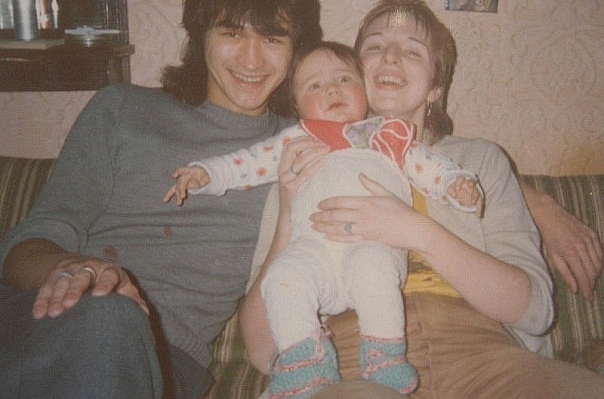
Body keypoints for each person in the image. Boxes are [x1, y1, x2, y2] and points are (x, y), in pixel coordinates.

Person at [240, 0, 604, 397]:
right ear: (356, 72)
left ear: (435, 86)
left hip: (484, 356)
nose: (390, 57)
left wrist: (416, 231)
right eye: (375, 47)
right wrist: (288, 214)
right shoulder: (302, 162)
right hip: (351, 362)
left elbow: (535, 311)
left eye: (412, 51)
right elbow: (261, 349)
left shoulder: (479, 162)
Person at [0, 0, 322, 397]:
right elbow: (25, 249)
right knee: (106, 313)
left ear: (297, 48)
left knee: (113, 318)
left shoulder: (299, 151)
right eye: (230, 32)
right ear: (200, 34)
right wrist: (74, 269)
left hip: (166, 361)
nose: (251, 59)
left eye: (272, 38)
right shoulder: (121, 110)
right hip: (42, 321)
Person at [163, 41, 483, 396]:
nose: (332, 89)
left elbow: (432, 168)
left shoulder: (388, 136)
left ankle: (385, 359)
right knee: (282, 278)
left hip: (372, 246)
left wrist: (457, 185)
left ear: (364, 90)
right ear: (297, 106)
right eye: (314, 85)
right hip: (313, 253)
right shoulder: (296, 140)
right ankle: (306, 362)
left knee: (374, 268)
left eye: (344, 79)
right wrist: (206, 174)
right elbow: (246, 163)